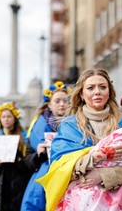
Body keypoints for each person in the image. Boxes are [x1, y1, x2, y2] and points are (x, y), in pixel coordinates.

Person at [37, 68, 122, 211]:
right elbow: (59, 168)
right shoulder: (69, 125)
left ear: (109, 92)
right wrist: (93, 158)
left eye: (102, 87)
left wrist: (104, 175)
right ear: (82, 94)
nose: (97, 92)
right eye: (90, 88)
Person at [21, 81, 72, 211]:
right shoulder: (37, 127)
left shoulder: (77, 123)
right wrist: (38, 155)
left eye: (65, 101)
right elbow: (27, 161)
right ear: (49, 104)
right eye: (57, 101)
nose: (62, 104)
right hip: (44, 182)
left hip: (71, 178)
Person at [0, 102, 31, 211]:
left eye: (9, 117)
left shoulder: (24, 138)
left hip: (17, 185)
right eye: (3, 117)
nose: (6, 119)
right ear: (0, 120)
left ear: (15, 119)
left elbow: (28, 162)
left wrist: (17, 159)